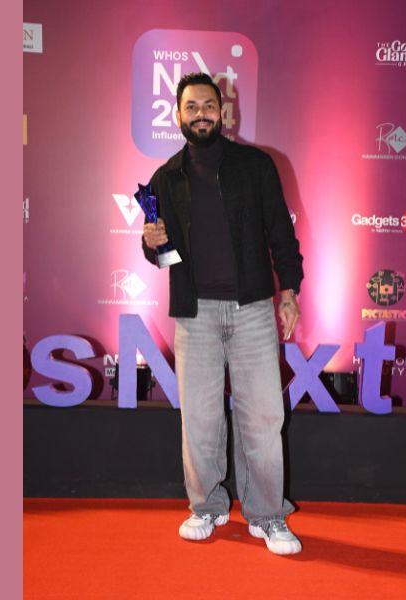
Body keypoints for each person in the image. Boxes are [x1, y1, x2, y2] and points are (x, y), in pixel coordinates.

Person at [141, 72, 304, 555]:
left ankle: (268, 514)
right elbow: (165, 256)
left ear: (223, 112)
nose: (201, 114)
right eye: (191, 107)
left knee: (263, 417)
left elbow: (281, 234)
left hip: (252, 308)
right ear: (177, 114)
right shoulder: (165, 178)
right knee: (199, 419)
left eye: (208, 106)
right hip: (195, 315)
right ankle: (207, 506)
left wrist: (289, 292)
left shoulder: (256, 166)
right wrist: (151, 244)